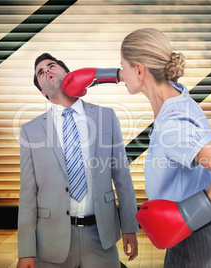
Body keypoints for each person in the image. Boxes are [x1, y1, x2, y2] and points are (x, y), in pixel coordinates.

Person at [119, 28, 211, 267]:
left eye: (122, 66)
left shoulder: (173, 126)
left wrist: (183, 220)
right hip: (203, 232)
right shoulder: (178, 97)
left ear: (139, 70)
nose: (121, 74)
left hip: (196, 240)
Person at [17, 53, 139, 268]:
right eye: (40, 73)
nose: (46, 71)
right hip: (51, 242)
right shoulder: (30, 131)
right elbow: (28, 194)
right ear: (42, 91)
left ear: (68, 74)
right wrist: (26, 251)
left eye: (51, 66)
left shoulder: (106, 117)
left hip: (101, 237)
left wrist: (130, 226)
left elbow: (121, 176)